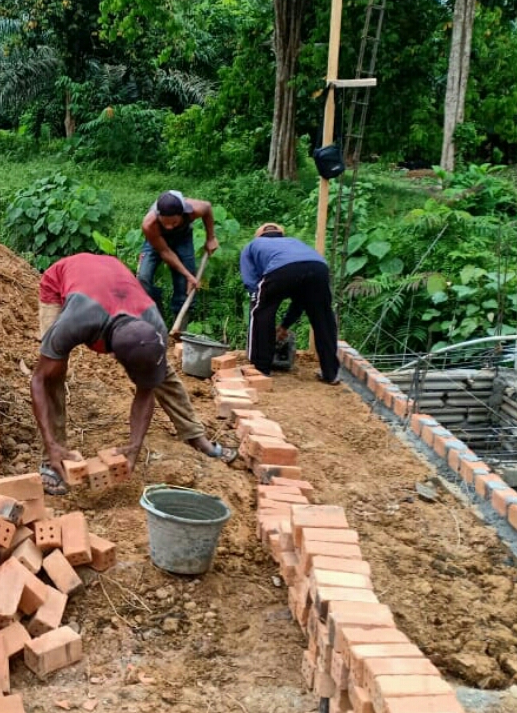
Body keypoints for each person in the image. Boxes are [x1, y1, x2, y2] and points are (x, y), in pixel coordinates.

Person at [31, 253, 236, 495]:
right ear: (115, 357)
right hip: (65, 282)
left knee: (160, 371)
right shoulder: (75, 321)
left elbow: (146, 388)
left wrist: (135, 446)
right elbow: (39, 380)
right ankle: (52, 458)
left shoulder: (154, 324)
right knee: (54, 373)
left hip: (113, 281)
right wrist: (51, 444)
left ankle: (194, 434)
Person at [239, 223, 339, 384]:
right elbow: (301, 300)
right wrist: (284, 325)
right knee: (323, 318)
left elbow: (251, 284)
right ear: (281, 235)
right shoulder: (294, 242)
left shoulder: (252, 245)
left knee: (262, 313)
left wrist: (259, 300)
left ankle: (261, 368)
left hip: (280, 270)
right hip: (318, 267)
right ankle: (331, 374)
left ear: (258, 235)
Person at [137, 190, 219, 323]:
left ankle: (180, 331)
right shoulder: (149, 224)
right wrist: (188, 274)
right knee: (143, 277)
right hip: (157, 240)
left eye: (174, 223)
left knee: (185, 285)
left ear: (183, 214)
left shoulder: (194, 209)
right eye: (165, 223)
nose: (169, 227)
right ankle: (156, 319)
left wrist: (211, 238)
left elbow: (208, 207)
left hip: (183, 238)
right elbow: (165, 252)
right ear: (159, 216)